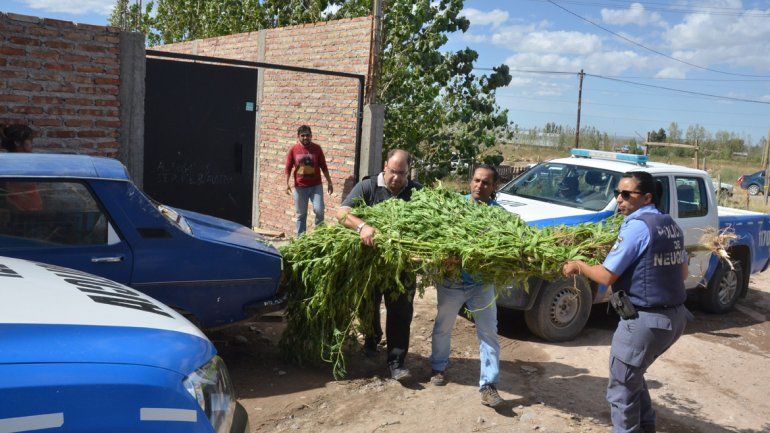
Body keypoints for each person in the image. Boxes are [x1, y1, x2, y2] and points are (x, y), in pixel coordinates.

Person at [562, 171, 690, 433]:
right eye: (617, 193)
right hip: (674, 318)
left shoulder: (637, 226)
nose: (619, 199)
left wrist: (578, 265)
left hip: (644, 322)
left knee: (621, 390)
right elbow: (684, 273)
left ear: (646, 197)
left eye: (626, 194)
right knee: (633, 378)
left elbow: (606, 276)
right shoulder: (670, 225)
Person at [336, 149, 422, 381]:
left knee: (401, 313)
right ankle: (371, 341)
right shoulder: (368, 187)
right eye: (393, 172)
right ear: (385, 166)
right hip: (371, 264)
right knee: (368, 305)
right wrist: (361, 226)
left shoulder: (417, 192)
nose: (396, 177)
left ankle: (396, 362)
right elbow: (342, 213)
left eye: (401, 173)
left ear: (408, 172)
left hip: (401, 266)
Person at [429, 164, 504, 408]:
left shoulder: (499, 216)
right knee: (443, 326)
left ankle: (489, 385)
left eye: (485, 183)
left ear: (493, 188)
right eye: (476, 180)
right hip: (452, 282)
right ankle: (438, 368)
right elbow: (437, 237)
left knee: (488, 333)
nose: (479, 186)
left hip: (481, 285)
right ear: (470, 181)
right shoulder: (453, 207)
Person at [284, 125, 333, 235]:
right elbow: (288, 167)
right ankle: (301, 240)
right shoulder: (293, 150)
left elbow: (323, 166)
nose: (305, 137)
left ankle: (319, 236)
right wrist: (286, 184)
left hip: (316, 186)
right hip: (300, 187)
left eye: (308, 135)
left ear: (311, 136)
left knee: (319, 211)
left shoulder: (317, 148)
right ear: (298, 136)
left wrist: (329, 182)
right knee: (301, 214)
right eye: (303, 135)